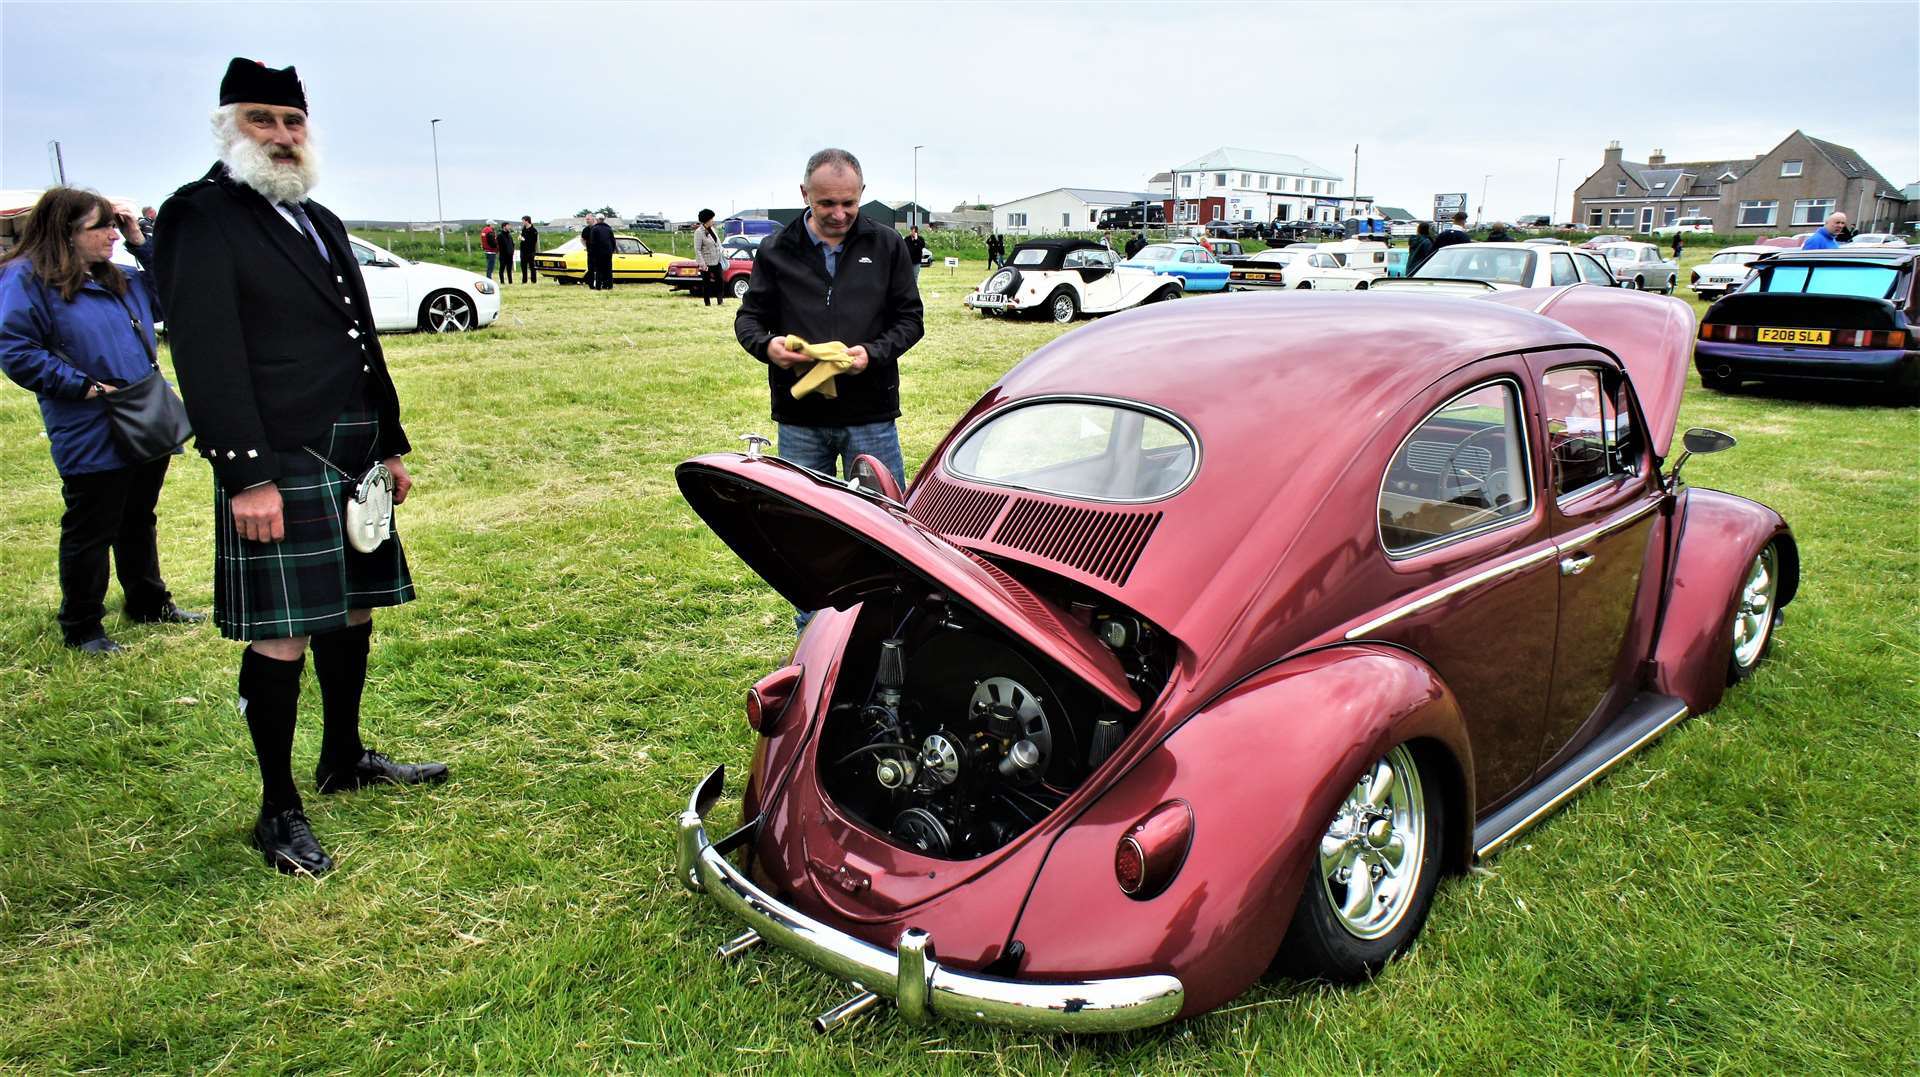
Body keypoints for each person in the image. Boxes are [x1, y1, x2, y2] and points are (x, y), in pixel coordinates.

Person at [154, 58, 446, 877]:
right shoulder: (200, 216)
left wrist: (387, 442)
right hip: (277, 455)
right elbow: (208, 355)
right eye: (262, 120)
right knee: (283, 633)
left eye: (292, 121)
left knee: (353, 610)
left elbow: (362, 340)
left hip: (350, 446)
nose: (282, 136)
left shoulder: (316, 217)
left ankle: (344, 757)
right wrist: (245, 475)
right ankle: (278, 807)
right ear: (228, 125)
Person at [0, 188, 204, 654]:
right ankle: (82, 626)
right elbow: (16, 349)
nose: (112, 233)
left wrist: (139, 240)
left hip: (143, 411)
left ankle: (149, 603)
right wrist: (82, 386)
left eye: (116, 224)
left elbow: (172, 293)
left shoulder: (120, 277)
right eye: (102, 226)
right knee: (92, 526)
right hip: (89, 423)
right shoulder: (25, 279)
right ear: (66, 232)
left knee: (138, 516)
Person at [694, 208, 725, 306]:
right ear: (707, 220)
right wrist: (702, 264)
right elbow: (697, 249)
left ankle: (720, 301)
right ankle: (707, 303)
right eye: (712, 219)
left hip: (717, 260)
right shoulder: (699, 232)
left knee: (720, 281)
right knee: (707, 283)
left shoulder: (713, 230)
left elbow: (718, 243)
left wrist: (722, 251)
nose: (713, 220)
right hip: (706, 263)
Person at [585, 214, 616, 289]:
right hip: (608, 253)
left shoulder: (595, 229)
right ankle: (609, 285)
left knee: (599, 269)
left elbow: (592, 242)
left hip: (598, 253)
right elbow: (613, 241)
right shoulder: (609, 229)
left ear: (597, 220)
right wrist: (612, 250)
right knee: (608, 269)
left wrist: (592, 252)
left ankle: (598, 286)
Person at [519, 215, 538, 283]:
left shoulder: (534, 230)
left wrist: (524, 239)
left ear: (527, 221)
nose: (522, 222)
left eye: (523, 221)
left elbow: (533, 241)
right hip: (523, 251)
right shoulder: (523, 229)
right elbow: (522, 236)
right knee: (523, 267)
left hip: (530, 251)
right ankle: (524, 281)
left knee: (532, 267)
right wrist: (520, 237)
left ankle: (533, 280)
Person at [495, 219, 514, 285]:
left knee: (509, 270)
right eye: (508, 226)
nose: (509, 227)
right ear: (504, 227)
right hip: (503, 255)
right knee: (502, 269)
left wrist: (512, 252)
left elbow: (512, 244)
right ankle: (502, 282)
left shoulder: (509, 235)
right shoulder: (500, 235)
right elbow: (498, 245)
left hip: (510, 255)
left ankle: (510, 282)